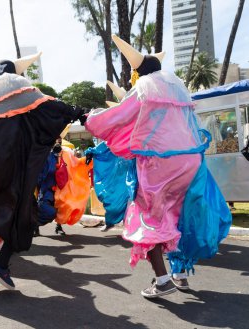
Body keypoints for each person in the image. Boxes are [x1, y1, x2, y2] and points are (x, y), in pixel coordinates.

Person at [85, 35, 231, 299]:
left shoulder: (145, 87)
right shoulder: (178, 87)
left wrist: (91, 118)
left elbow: (117, 117)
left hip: (159, 162)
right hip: (190, 162)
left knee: (147, 216)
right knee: (178, 214)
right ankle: (180, 274)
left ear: (138, 73)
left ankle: (163, 280)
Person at [0, 53, 89, 290]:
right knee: (21, 211)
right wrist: (77, 111)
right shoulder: (17, 86)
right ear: (15, 73)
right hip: (6, 153)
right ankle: (1, 265)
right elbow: (47, 105)